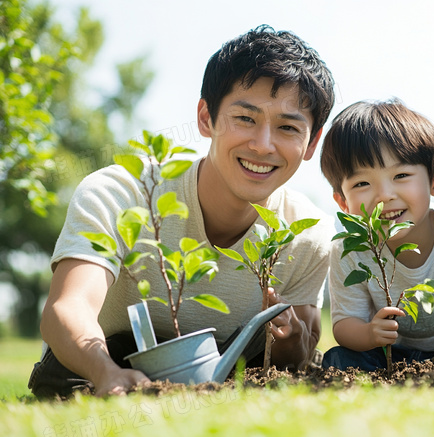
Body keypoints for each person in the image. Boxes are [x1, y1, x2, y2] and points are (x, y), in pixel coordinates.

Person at [30, 25, 336, 398]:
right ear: (206, 118)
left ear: (311, 142)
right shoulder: (124, 192)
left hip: (222, 377)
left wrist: (288, 337)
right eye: (245, 119)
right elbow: (68, 306)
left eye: (288, 127)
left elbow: (298, 355)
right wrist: (105, 371)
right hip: (94, 368)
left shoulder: (307, 234)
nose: (262, 145)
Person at [319, 99, 434, 371]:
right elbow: (345, 324)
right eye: (362, 183)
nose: (384, 195)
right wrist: (369, 334)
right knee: (338, 359)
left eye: (401, 175)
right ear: (343, 202)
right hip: (394, 353)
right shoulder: (351, 248)